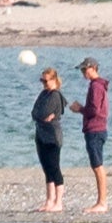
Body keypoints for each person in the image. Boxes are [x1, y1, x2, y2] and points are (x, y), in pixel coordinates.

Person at [71, 57, 110, 213]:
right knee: (97, 166)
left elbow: (94, 110)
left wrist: (79, 108)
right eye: (82, 70)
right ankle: (101, 201)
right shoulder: (98, 85)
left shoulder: (96, 86)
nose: (83, 73)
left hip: (95, 129)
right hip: (97, 129)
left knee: (97, 166)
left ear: (93, 68)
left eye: (85, 69)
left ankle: (102, 202)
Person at [33, 68, 69, 212]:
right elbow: (35, 112)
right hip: (41, 134)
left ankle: (58, 202)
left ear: (54, 80)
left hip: (52, 136)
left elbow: (43, 112)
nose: (44, 83)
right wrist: (41, 116)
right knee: (46, 168)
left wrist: (45, 116)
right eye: (42, 80)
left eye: (46, 80)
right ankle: (49, 200)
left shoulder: (55, 95)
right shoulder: (43, 94)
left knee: (54, 168)